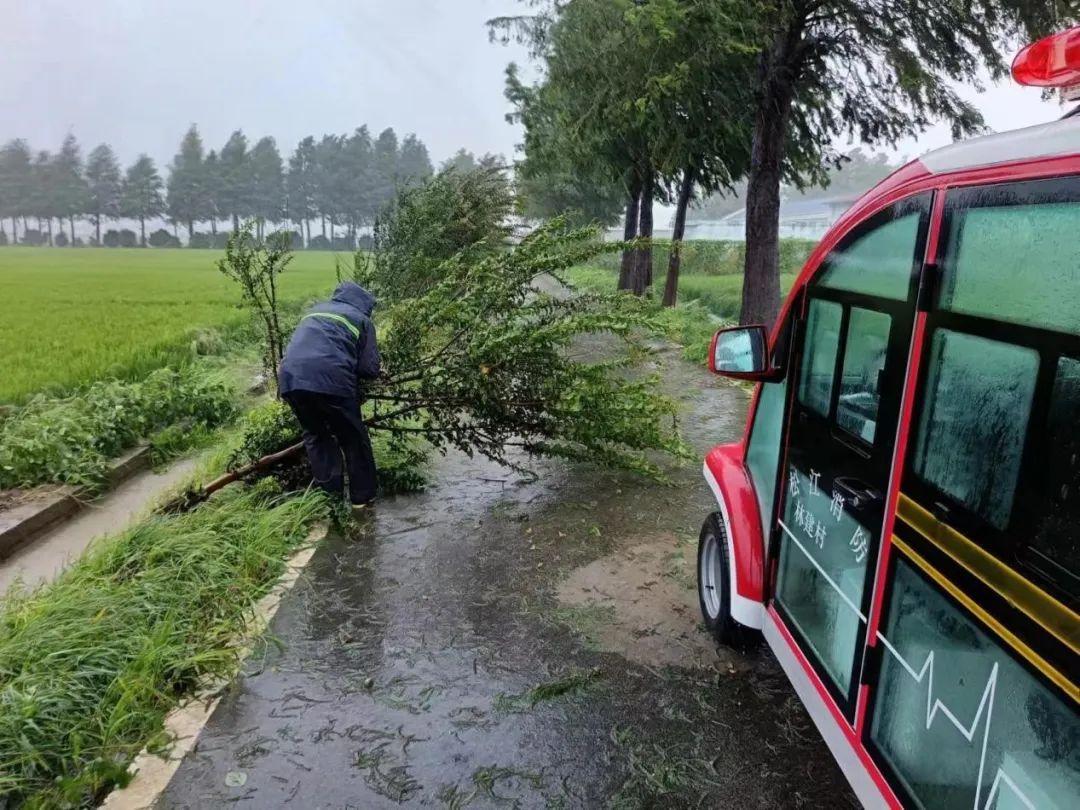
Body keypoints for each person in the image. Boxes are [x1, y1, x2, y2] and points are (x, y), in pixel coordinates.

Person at [279, 281, 381, 510]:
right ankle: (362, 499)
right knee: (353, 438)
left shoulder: (313, 312)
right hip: (332, 382)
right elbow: (369, 369)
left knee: (316, 437)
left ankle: (330, 501)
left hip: (290, 381)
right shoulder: (362, 320)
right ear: (365, 304)